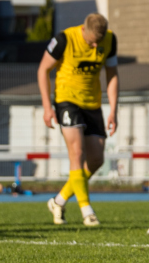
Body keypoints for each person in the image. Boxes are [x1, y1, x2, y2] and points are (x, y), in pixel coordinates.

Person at [37, 13, 119, 227]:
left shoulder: (110, 40)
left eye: (97, 43)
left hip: (92, 104)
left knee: (96, 159)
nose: (94, 47)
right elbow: (43, 70)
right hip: (66, 100)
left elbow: (112, 74)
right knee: (77, 152)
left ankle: (59, 200)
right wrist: (47, 107)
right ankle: (86, 210)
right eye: (91, 41)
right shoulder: (64, 39)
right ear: (83, 30)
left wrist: (114, 110)